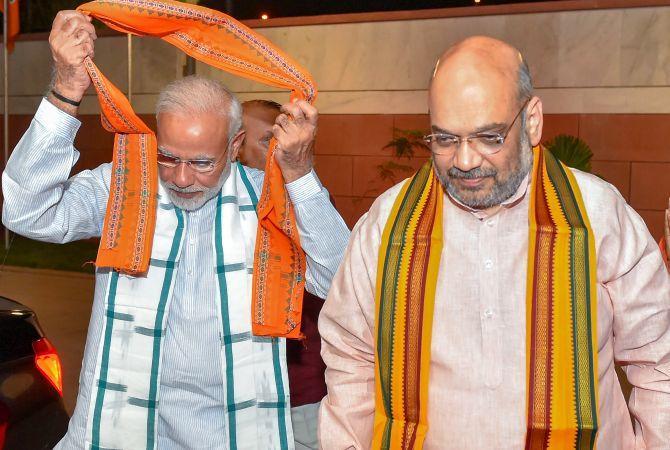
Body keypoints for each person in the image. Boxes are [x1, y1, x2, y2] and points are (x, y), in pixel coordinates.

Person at [2, 11, 349, 449]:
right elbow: (26, 210)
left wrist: (298, 174)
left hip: (234, 434)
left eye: (202, 162)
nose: (182, 178)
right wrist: (67, 89)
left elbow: (342, 279)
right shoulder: (126, 186)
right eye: (168, 157)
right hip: (116, 431)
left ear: (235, 145)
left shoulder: (269, 198)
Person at [318, 36, 670, 449]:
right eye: (445, 139)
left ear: (532, 120)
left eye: (489, 137)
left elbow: (658, 361)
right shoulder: (388, 224)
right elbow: (350, 355)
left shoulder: (597, 214)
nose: (465, 161)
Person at [239, 99, 327, 450]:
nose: (276, 147)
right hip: (242, 397)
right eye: (263, 140)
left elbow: (344, 284)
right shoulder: (222, 213)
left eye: (278, 137)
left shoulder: (309, 208)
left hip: (300, 395)